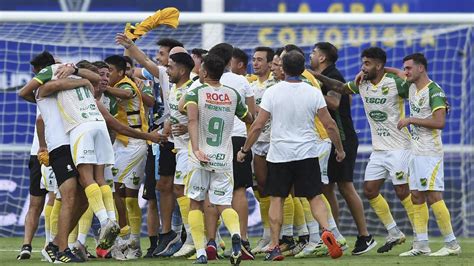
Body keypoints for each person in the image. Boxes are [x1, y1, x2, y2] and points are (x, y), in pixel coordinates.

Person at [236, 50, 344, 261]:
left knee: (277, 199)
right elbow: (329, 124)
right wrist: (339, 149)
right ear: (302, 69)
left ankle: (275, 246)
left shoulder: (273, 92)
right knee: (314, 196)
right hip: (307, 153)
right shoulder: (312, 92)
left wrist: (244, 150)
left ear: (283, 69)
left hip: (280, 155)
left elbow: (258, 125)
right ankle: (325, 230)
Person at [313, 47, 416, 254]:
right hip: (379, 149)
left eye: (367, 63)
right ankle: (394, 231)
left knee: (402, 191)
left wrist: (388, 69)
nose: (362, 67)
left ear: (378, 65)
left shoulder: (394, 82)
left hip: (399, 146)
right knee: (369, 189)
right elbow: (341, 88)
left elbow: (412, 82)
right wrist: (315, 76)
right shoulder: (363, 83)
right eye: (362, 63)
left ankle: (421, 237)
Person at [179, 53, 254, 265]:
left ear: (203, 71)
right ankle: (236, 235)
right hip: (224, 156)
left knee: (195, 203)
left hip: (200, 155)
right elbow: (248, 118)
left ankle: (201, 252)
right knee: (223, 203)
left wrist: (195, 149)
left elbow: (187, 115)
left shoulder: (197, 91)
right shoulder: (232, 94)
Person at [388, 53, 461, 256]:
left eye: (409, 68)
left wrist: (411, 120)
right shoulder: (411, 87)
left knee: (433, 195)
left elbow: (440, 123)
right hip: (416, 151)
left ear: (421, 68)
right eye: (405, 68)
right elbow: (398, 73)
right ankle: (421, 244)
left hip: (430, 152)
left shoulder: (434, 90)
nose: (406, 71)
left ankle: (452, 244)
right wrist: (384, 69)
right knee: (417, 196)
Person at [310, 42, 375, 255]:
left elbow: (335, 103)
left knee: (345, 186)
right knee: (326, 188)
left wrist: (311, 92)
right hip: (330, 139)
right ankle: (332, 235)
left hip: (343, 138)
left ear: (322, 58)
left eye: (314, 52)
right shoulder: (324, 75)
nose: (311, 55)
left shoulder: (333, 74)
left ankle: (365, 236)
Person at [16, 51, 52, 260]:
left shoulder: (40, 92)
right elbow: (40, 121)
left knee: (36, 203)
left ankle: (27, 245)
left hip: (37, 152)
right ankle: (51, 244)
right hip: (49, 151)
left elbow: (24, 93)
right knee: (56, 200)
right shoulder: (52, 89)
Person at [248, 46, 278, 255]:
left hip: (277, 142)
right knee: (262, 187)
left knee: (285, 190)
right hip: (258, 142)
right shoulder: (249, 84)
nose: (255, 63)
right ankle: (268, 234)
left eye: (260, 60)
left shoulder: (276, 84)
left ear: (270, 63)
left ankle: (297, 234)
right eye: (254, 59)